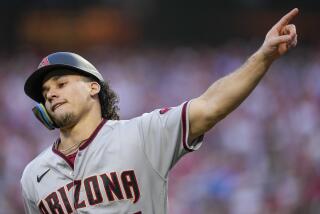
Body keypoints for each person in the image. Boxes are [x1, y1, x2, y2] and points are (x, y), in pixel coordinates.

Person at [21, 8, 299, 214]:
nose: (51, 93)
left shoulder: (141, 135)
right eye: (45, 93)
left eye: (61, 83)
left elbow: (211, 106)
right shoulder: (33, 176)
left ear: (93, 88)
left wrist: (263, 56)